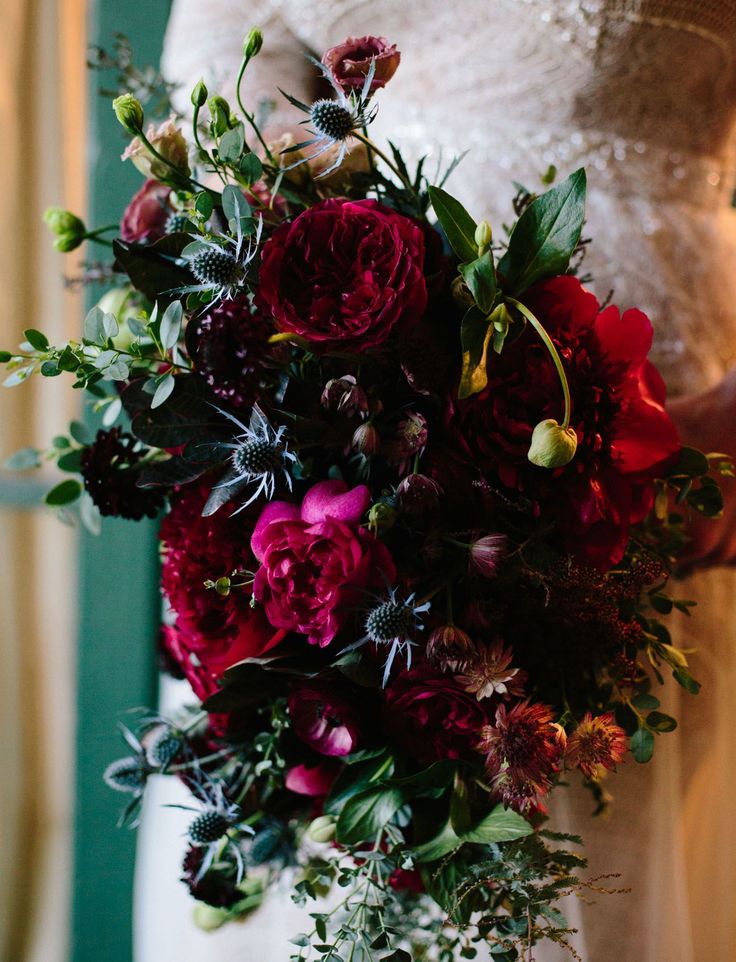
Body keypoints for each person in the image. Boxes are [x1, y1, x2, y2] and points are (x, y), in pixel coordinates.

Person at [134, 3, 736, 960]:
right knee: (330, 861)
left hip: (651, 463)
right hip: (320, 461)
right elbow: (218, 130)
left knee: (594, 845)